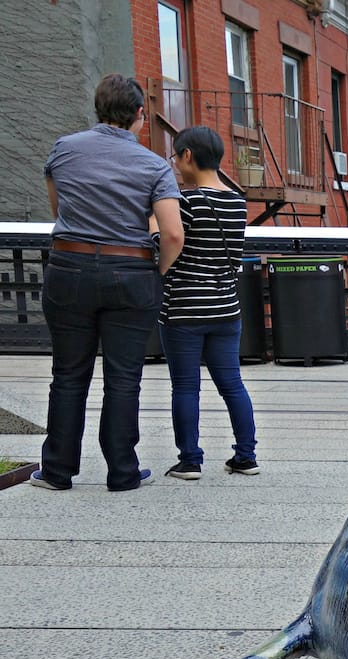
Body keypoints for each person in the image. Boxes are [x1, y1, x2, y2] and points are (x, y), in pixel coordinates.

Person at [30, 74, 184, 492]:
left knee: (67, 374)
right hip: (130, 272)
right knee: (123, 378)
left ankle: (58, 471)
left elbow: (58, 207)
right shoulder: (154, 165)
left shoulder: (65, 149)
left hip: (69, 268)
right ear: (139, 114)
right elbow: (172, 234)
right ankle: (122, 471)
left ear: (98, 109)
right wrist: (156, 272)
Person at [155, 126, 257, 480]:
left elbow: (168, 239)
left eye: (175, 156)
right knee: (232, 383)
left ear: (186, 156)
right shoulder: (237, 201)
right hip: (226, 307)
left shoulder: (186, 201)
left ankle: (190, 460)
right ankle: (246, 456)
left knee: (185, 386)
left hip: (184, 307)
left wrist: (156, 230)